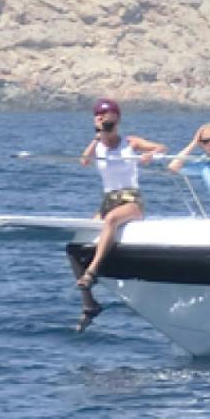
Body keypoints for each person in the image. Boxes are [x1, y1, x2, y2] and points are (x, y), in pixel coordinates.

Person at [75, 98, 166, 330]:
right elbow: (84, 162)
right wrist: (96, 136)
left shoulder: (130, 142)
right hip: (108, 199)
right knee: (79, 239)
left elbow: (161, 148)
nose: (108, 124)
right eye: (103, 119)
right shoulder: (97, 145)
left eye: (111, 120)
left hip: (130, 198)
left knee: (112, 221)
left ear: (118, 120)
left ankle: (93, 271)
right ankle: (89, 304)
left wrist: (150, 155)